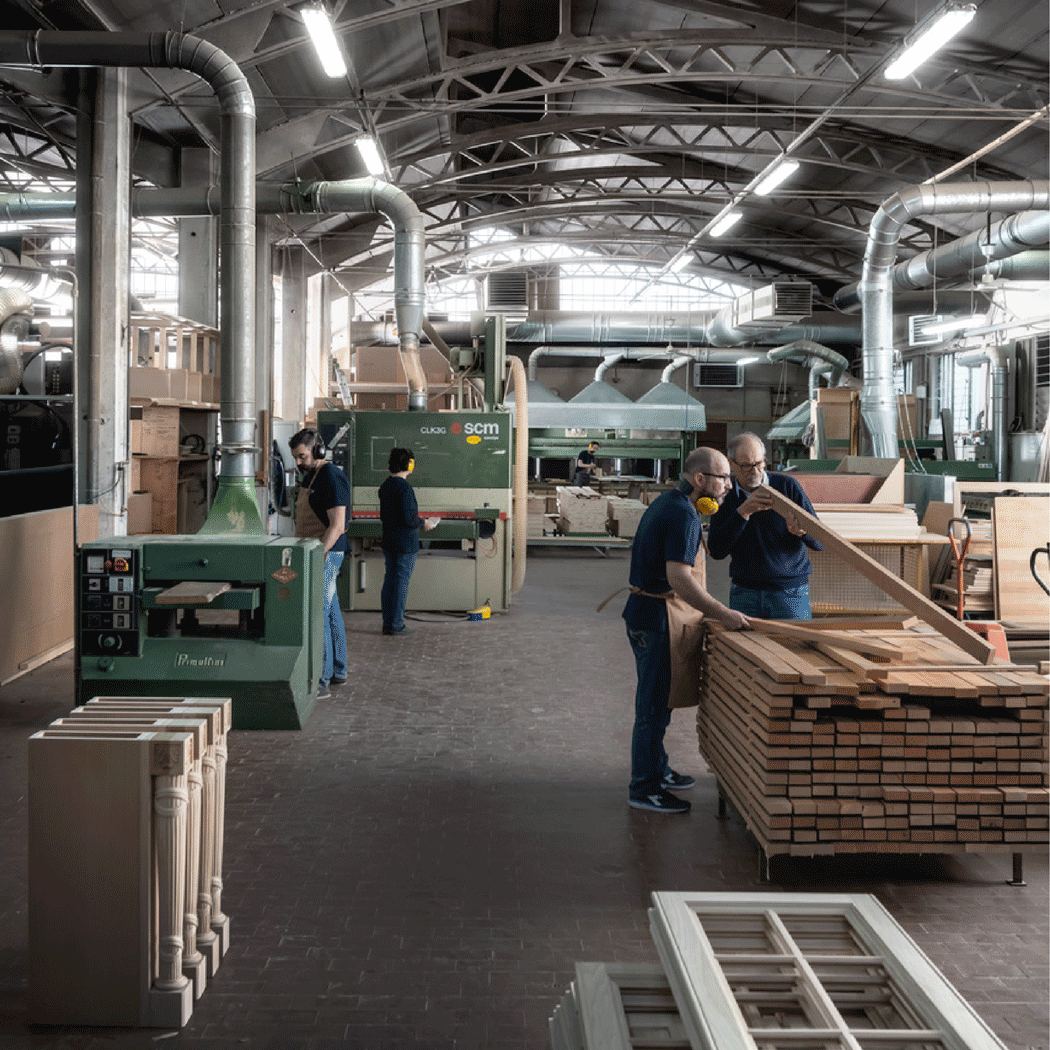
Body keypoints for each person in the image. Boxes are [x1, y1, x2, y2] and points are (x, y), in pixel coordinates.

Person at [623, 446, 749, 815]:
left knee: (658, 703)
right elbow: (679, 578)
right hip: (657, 619)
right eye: (723, 478)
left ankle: (658, 769)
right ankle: (644, 788)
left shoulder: (670, 503)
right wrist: (722, 613)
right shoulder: (683, 517)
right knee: (653, 708)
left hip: (647, 614)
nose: (729, 486)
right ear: (699, 479)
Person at [706, 432, 824, 620]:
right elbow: (716, 550)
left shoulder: (787, 487)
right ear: (731, 464)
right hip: (745, 593)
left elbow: (820, 541)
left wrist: (803, 532)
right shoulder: (725, 496)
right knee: (745, 640)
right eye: (746, 466)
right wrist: (742, 513)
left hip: (790, 593)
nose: (755, 471)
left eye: (759, 463)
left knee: (793, 640)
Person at [289, 427, 351, 699]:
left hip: (326, 553)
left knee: (319, 612)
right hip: (316, 551)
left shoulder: (331, 477)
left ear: (318, 450)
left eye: (302, 456)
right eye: (296, 457)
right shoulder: (312, 476)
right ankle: (338, 669)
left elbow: (337, 526)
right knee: (330, 610)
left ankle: (322, 679)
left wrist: (318, 556)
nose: (298, 462)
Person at [378, 448, 440, 636]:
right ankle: (397, 625)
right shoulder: (404, 488)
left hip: (389, 540)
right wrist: (424, 523)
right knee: (401, 583)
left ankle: (388, 623)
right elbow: (408, 519)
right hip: (405, 543)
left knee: (390, 581)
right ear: (409, 465)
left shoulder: (386, 486)